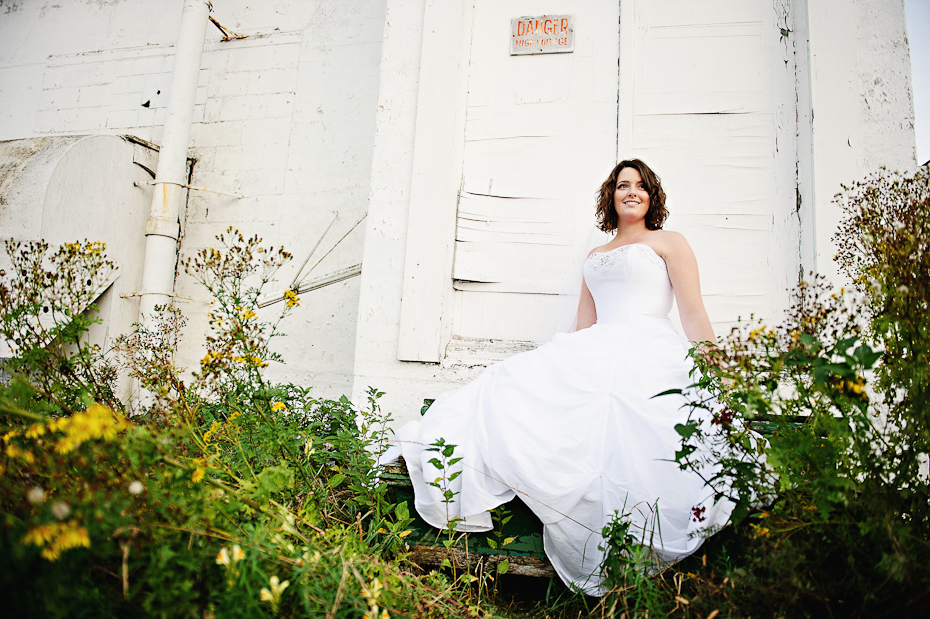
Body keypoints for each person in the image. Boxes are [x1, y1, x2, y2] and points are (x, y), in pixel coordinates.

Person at [381, 159, 735, 596]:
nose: (632, 192)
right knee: (506, 385)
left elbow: (693, 311)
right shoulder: (595, 256)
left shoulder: (669, 243)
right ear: (610, 196)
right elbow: (583, 325)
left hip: (649, 347)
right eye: (623, 185)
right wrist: (551, 363)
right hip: (599, 343)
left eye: (641, 186)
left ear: (652, 197)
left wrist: (715, 370)